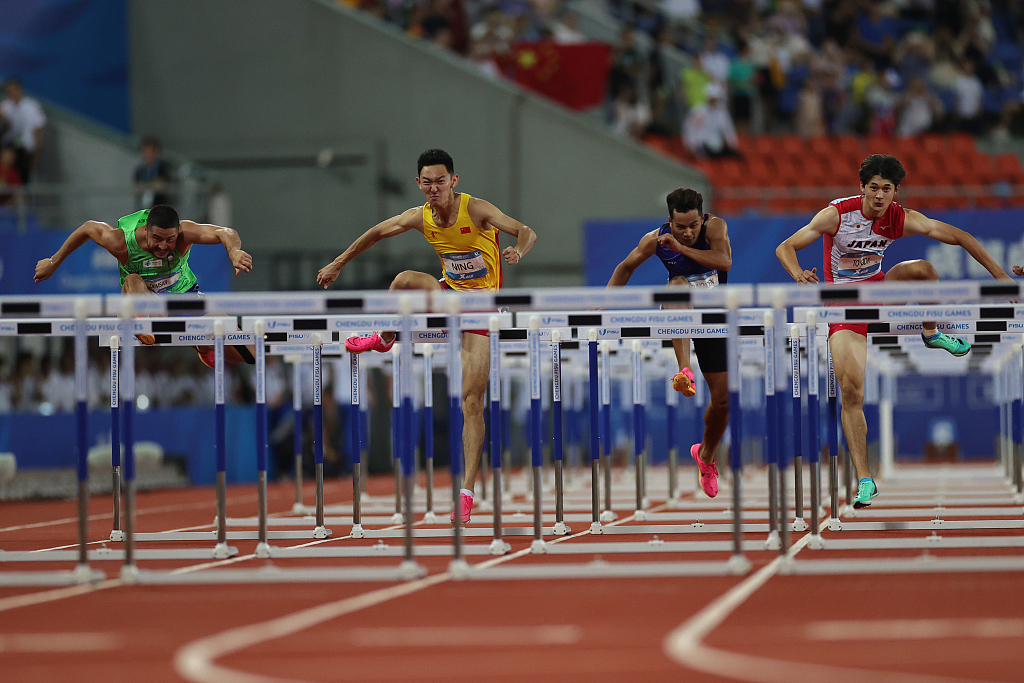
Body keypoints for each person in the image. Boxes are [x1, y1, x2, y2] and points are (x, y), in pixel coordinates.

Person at [775, 154, 1012, 509]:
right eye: (873, 188)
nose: (880, 196)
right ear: (862, 188)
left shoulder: (899, 217)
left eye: (887, 189)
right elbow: (786, 246)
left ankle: (930, 333)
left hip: (881, 290)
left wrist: (1001, 278)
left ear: (896, 190)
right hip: (842, 306)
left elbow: (960, 236)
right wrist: (798, 274)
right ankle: (866, 480)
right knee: (852, 393)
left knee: (924, 269)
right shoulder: (836, 215)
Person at [316, 149, 536, 523]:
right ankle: (385, 337)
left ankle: (465, 493)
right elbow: (375, 234)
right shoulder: (420, 216)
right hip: (446, 294)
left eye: (440, 181)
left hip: (482, 308)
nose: (434, 188)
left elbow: (526, 230)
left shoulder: (477, 209)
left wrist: (518, 249)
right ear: (418, 184)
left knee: (471, 402)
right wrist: (338, 262)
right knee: (403, 279)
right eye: (427, 182)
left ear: (454, 181)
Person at [606, 188, 732, 498]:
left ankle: (705, 456)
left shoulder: (716, 227)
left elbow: (724, 261)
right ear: (669, 221)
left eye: (693, 225)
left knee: (724, 401)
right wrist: (602, 303)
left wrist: (679, 247)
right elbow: (625, 267)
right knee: (676, 284)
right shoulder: (654, 239)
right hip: (680, 317)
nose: (688, 232)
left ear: (702, 218)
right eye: (680, 227)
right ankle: (684, 370)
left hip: (715, 317)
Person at [33, 204, 254, 368]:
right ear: (146, 231)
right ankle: (136, 318)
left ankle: (202, 346)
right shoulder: (121, 241)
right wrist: (54, 262)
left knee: (251, 353)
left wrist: (233, 251)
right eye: (157, 238)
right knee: (132, 280)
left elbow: (225, 232)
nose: (163, 246)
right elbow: (88, 228)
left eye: (170, 240)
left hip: (186, 297)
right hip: (148, 299)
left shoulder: (185, 233)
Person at [0, 78, 46, 183]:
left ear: (19, 89)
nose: (11, 94)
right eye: (9, 92)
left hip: (25, 148)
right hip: (9, 147)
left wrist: (36, 151)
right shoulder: (5, 106)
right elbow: (4, 128)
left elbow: (38, 130)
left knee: (23, 177)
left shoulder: (31, 106)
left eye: (13, 90)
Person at [133, 136, 175, 209]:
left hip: (160, 205)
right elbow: (136, 185)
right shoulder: (140, 169)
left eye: (151, 152)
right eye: (146, 151)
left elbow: (162, 184)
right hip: (143, 205)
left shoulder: (163, 167)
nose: (149, 155)